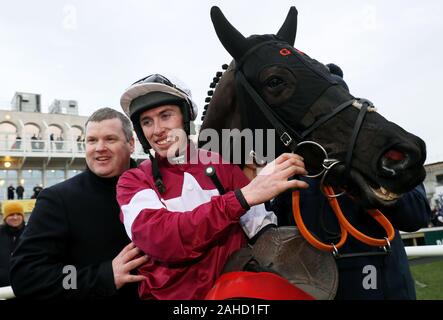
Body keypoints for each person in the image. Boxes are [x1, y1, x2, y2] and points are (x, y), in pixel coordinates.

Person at [117, 73, 309, 299]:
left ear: (185, 118)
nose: (157, 129)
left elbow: (262, 229)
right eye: (146, 122)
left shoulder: (220, 164)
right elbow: (163, 239)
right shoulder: (133, 181)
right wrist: (240, 198)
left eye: (165, 115)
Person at [270, 65, 431, 299]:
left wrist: (365, 183)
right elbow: (277, 231)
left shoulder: (388, 154)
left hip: (384, 286)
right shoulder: (295, 163)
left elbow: (416, 216)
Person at [10, 108, 146, 300]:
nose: (99, 147)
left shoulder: (158, 188)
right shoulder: (57, 199)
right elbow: (28, 276)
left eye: (110, 139)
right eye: (91, 140)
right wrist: (102, 276)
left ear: (131, 144)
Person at [0, 202, 26, 287]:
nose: (15, 217)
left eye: (18, 214)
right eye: (11, 215)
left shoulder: (31, 233)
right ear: (5, 217)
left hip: (25, 284)